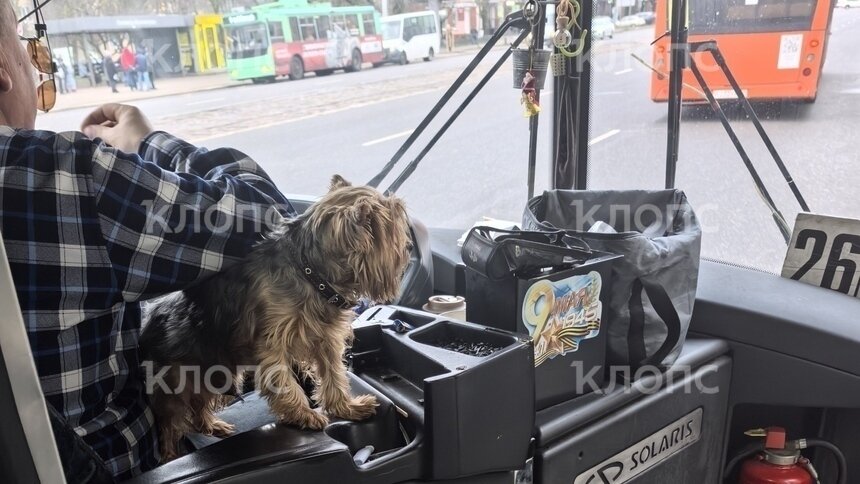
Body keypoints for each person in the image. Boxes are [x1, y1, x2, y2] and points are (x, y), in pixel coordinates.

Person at [0, 1, 293, 479]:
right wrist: (146, 142)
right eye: (29, 47)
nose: (37, 68)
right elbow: (269, 219)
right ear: (2, 69)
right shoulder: (66, 176)